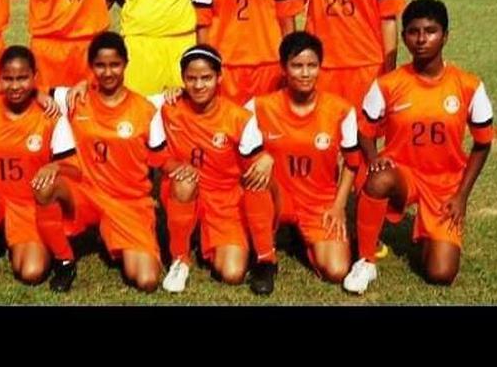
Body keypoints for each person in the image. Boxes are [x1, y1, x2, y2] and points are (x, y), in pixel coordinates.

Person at [344, 0, 493, 293]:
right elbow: (365, 129)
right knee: (378, 177)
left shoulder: (468, 85)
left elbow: (483, 143)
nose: (422, 39)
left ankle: (430, 236)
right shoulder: (389, 83)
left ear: (446, 35)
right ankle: (365, 260)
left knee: (441, 273)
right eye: (413, 32)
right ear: (404, 38)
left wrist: (462, 196)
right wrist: (373, 157)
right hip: (404, 174)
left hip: (444, 185)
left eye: (431, 31)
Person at [0, 46, 80, 294]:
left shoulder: (50, 115)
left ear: (35, 76)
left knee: (32, 272)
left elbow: (74, 170)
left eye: (22, 78)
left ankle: (17, 241)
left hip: (27, 206)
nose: (15, 85)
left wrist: (54, 165)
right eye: (8, 79)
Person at [48, 32, 168, 292]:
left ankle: (112, 233)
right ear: (91, 68)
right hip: (86, 192)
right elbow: (25, 89)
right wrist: (46, 95)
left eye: (114, 64)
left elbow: (184, 101)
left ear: (126, 63)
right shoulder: (75, 99)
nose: (108, 72)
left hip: (128, 201)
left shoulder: (145, 108)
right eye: (100, 66)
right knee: (47, 185)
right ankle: (63, 258)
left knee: (146, 280)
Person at [158, 45, 273, 294]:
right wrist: (82, 88)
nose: (198, 85)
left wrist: (266, 158)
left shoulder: (238, 117)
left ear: (219, 78)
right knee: (184, 178)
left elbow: (257, 160)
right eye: (191, 78)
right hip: (185, 190)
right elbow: (119, 96)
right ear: (183, 79)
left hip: (224, 199)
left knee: (232, 273)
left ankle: (260, 251)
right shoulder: (167, 106)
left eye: (206, 78)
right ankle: (180, 258)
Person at [248, 32, 359, 283]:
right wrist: (261, 154)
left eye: (312, 65)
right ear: (283, 68)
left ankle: (302, 239)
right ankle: (265, 257)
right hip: (276, 196)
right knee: (256, 178)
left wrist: (339, 206)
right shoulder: (259, 106)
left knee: (337, 270)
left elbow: (352, 164)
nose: (305, 73)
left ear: (321, 67)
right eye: (297, 66)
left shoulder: (341, 110)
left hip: (318, 201)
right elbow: (225, 127)